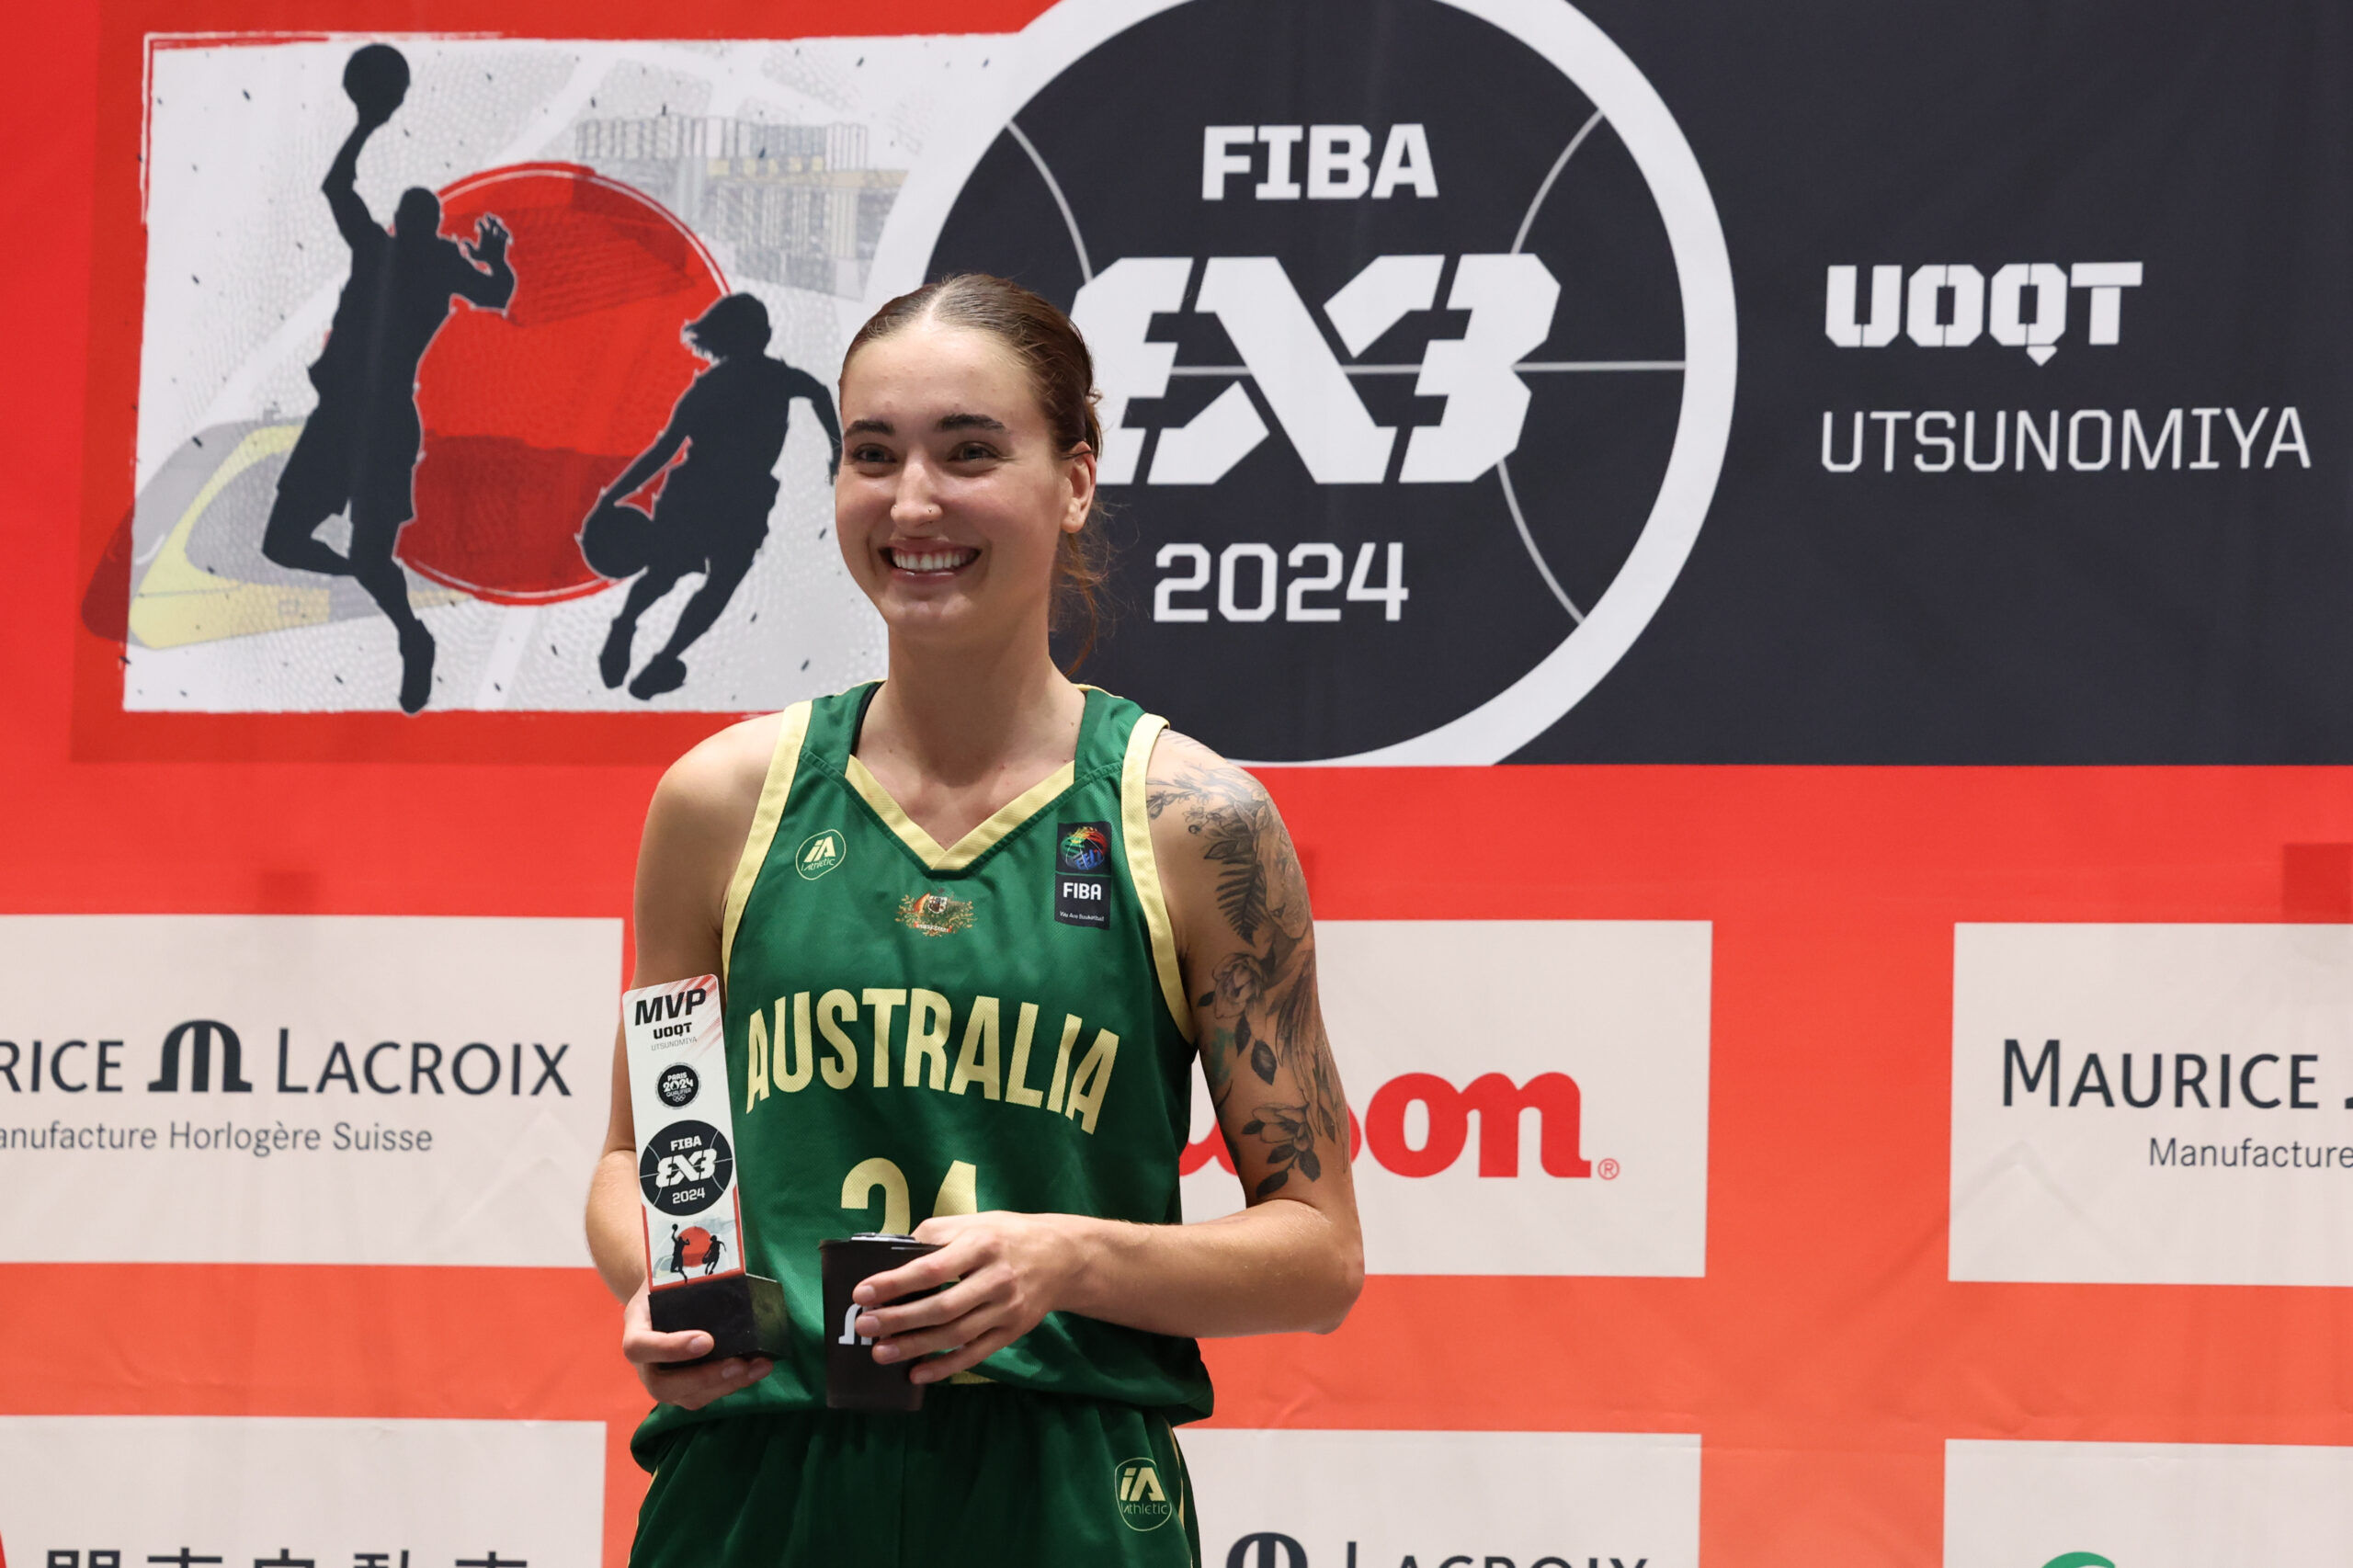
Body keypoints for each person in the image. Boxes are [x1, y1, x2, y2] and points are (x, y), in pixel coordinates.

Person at [584, 274, 1363, 1566]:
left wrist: (1064, 1259)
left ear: (1075, 480)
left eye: (969, 451)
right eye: (872, 454)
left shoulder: (1192, 818)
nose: (912, 503)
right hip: (756, 1480)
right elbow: (640, 1161)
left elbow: (1319, 1251)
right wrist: (676, 1285)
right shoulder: (721, 800)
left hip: (1060, 1491)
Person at [260, 77, 515, 714]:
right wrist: (496, 257)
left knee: (308, 547)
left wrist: (366, 123)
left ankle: (406, 629)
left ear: (405, 224)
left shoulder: (387, 251)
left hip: (366, 420)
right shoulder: (420, 260)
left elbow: (336, 188)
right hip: (359, 418)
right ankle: (392, 608)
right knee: (296, 547)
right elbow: (498, 293)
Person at [586, 292, 844, 701]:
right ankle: (653, 648)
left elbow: (663, 451)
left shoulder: (719, 385)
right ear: (754, 335)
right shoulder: (767, 378)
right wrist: (836, 448)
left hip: (707, 494)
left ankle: (635, 633)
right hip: (730, 496)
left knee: (671, 574)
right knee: (712, 583)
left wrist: (611, 496)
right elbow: (819, 393)